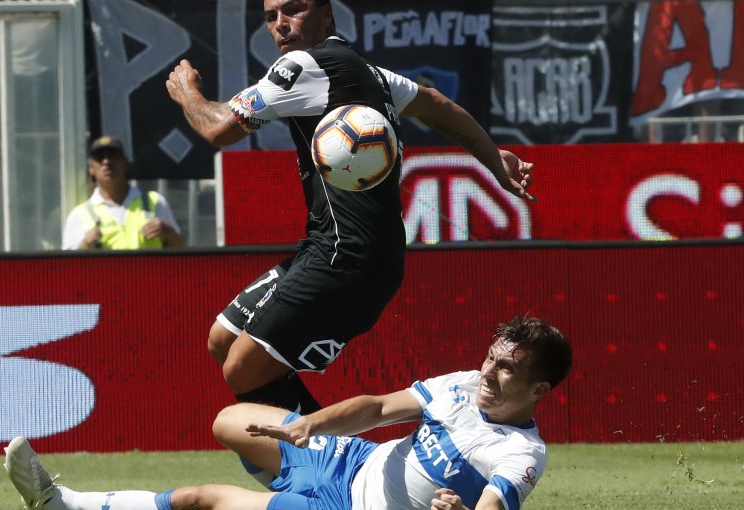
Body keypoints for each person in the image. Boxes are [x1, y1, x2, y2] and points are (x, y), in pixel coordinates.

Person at [165, 0, 536, 413]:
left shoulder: (305, 64)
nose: (281, 25)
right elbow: (437, 106)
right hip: (332, 249)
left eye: (294, 10)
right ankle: (311, 457)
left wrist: (188, 95)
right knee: (224, 339)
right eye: (271, 17)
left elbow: (219, 128)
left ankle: (333, 466)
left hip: (347, 261)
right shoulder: (370, 73)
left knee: (242, 370)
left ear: (326, 13)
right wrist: (493, 155)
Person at [4, 316, 572, 510]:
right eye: (491, 358)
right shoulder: (465, 383)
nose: (488, 375)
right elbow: (376, 408)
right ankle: (288, 485)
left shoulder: (521, 452)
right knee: (229, 421)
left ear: (539, 389)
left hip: (349, 506)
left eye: (506, 371)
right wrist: (309, 425)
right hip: (351, 460)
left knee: (200, 499)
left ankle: (63, 503)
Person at [62, 136, 185, 250]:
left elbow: (180, 248)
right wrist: (85, 244)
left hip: (148, 274)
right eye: (100, 158)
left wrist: (168, 232)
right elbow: (66, 267)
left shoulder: (155, 202)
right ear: (91, 169)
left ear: (125, 162)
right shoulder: (79, 215)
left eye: (113, 156)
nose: (106, 162)